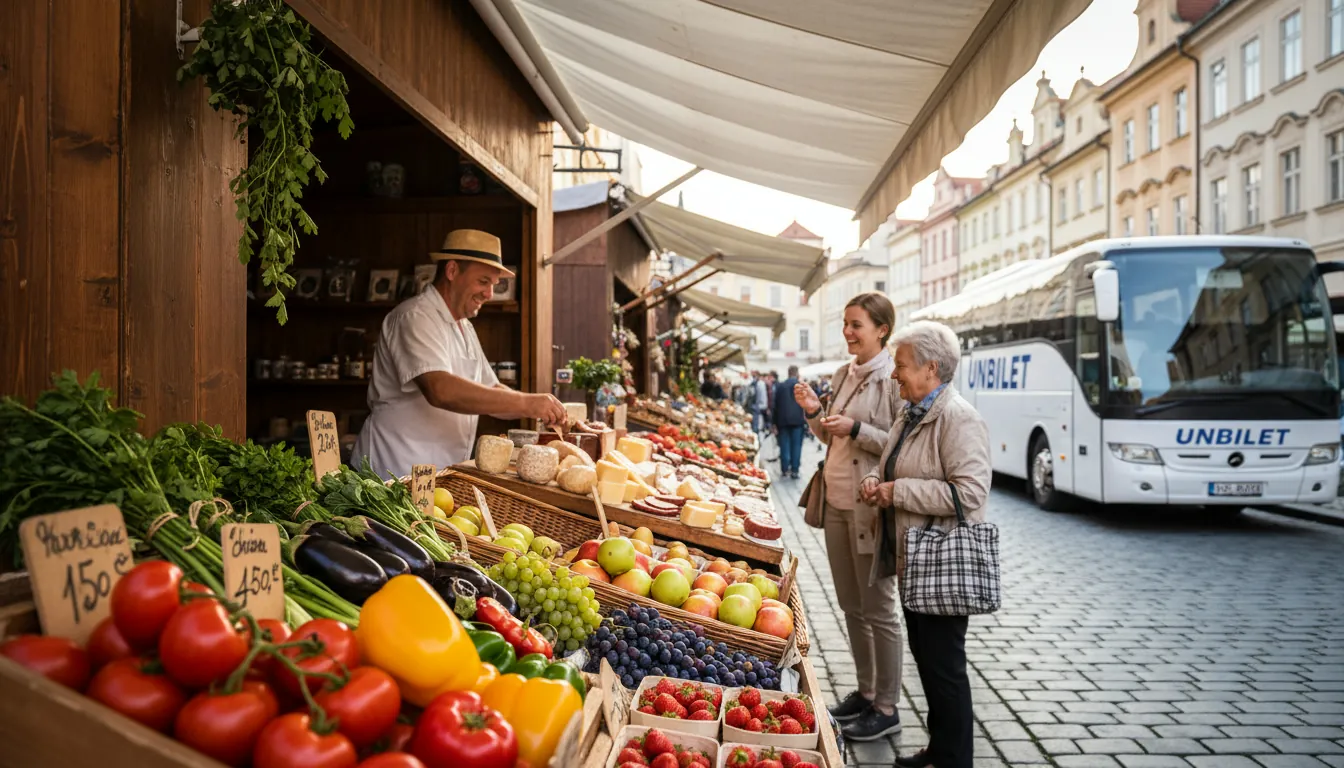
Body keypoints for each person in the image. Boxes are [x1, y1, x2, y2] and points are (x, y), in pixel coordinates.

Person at [859, 320, 991, 768]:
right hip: (914, 558)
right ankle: (941, 750)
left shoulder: (959, 418)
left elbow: (969, 493)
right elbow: (894, 465)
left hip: (942, 560)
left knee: (945, 668)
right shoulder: (910, 411)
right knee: (929, 662)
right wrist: (877, 479)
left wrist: (896, 492)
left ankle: (955, 759)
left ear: (931, 369)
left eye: (901, 365)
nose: (894, 373)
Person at [353, 229, 568, 477]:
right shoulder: (415, 316)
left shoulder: (464, 326)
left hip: (437, 474)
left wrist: (541, 407)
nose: (489, 294)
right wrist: (527, 403)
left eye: (493, 285)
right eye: (483, 281)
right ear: (452, 271)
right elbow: (440, 390)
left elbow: (492, 391)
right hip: (393, 471)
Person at [792, 293, 903, 741]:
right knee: (851, 607)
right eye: (845, 323)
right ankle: (865, 691)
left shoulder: (893, 379)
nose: (848, 332)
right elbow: (827, 437)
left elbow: (898, 444)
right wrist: (815, 413)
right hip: (836, 500)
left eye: (856, 325)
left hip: (868, 505)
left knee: (879, 609)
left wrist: (855, 428)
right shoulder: (842, 373)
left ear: (882, 330)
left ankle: (888, 706)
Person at [772, 365, 807, 479]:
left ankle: (785, 469)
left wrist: (774, 422)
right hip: (798, 421)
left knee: (784, 445)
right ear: (797, 373)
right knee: (796, 446)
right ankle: (795, 470)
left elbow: (775, 406)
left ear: (788, 373)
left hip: (782, 421)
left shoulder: (780, 386)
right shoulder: (801, 386)